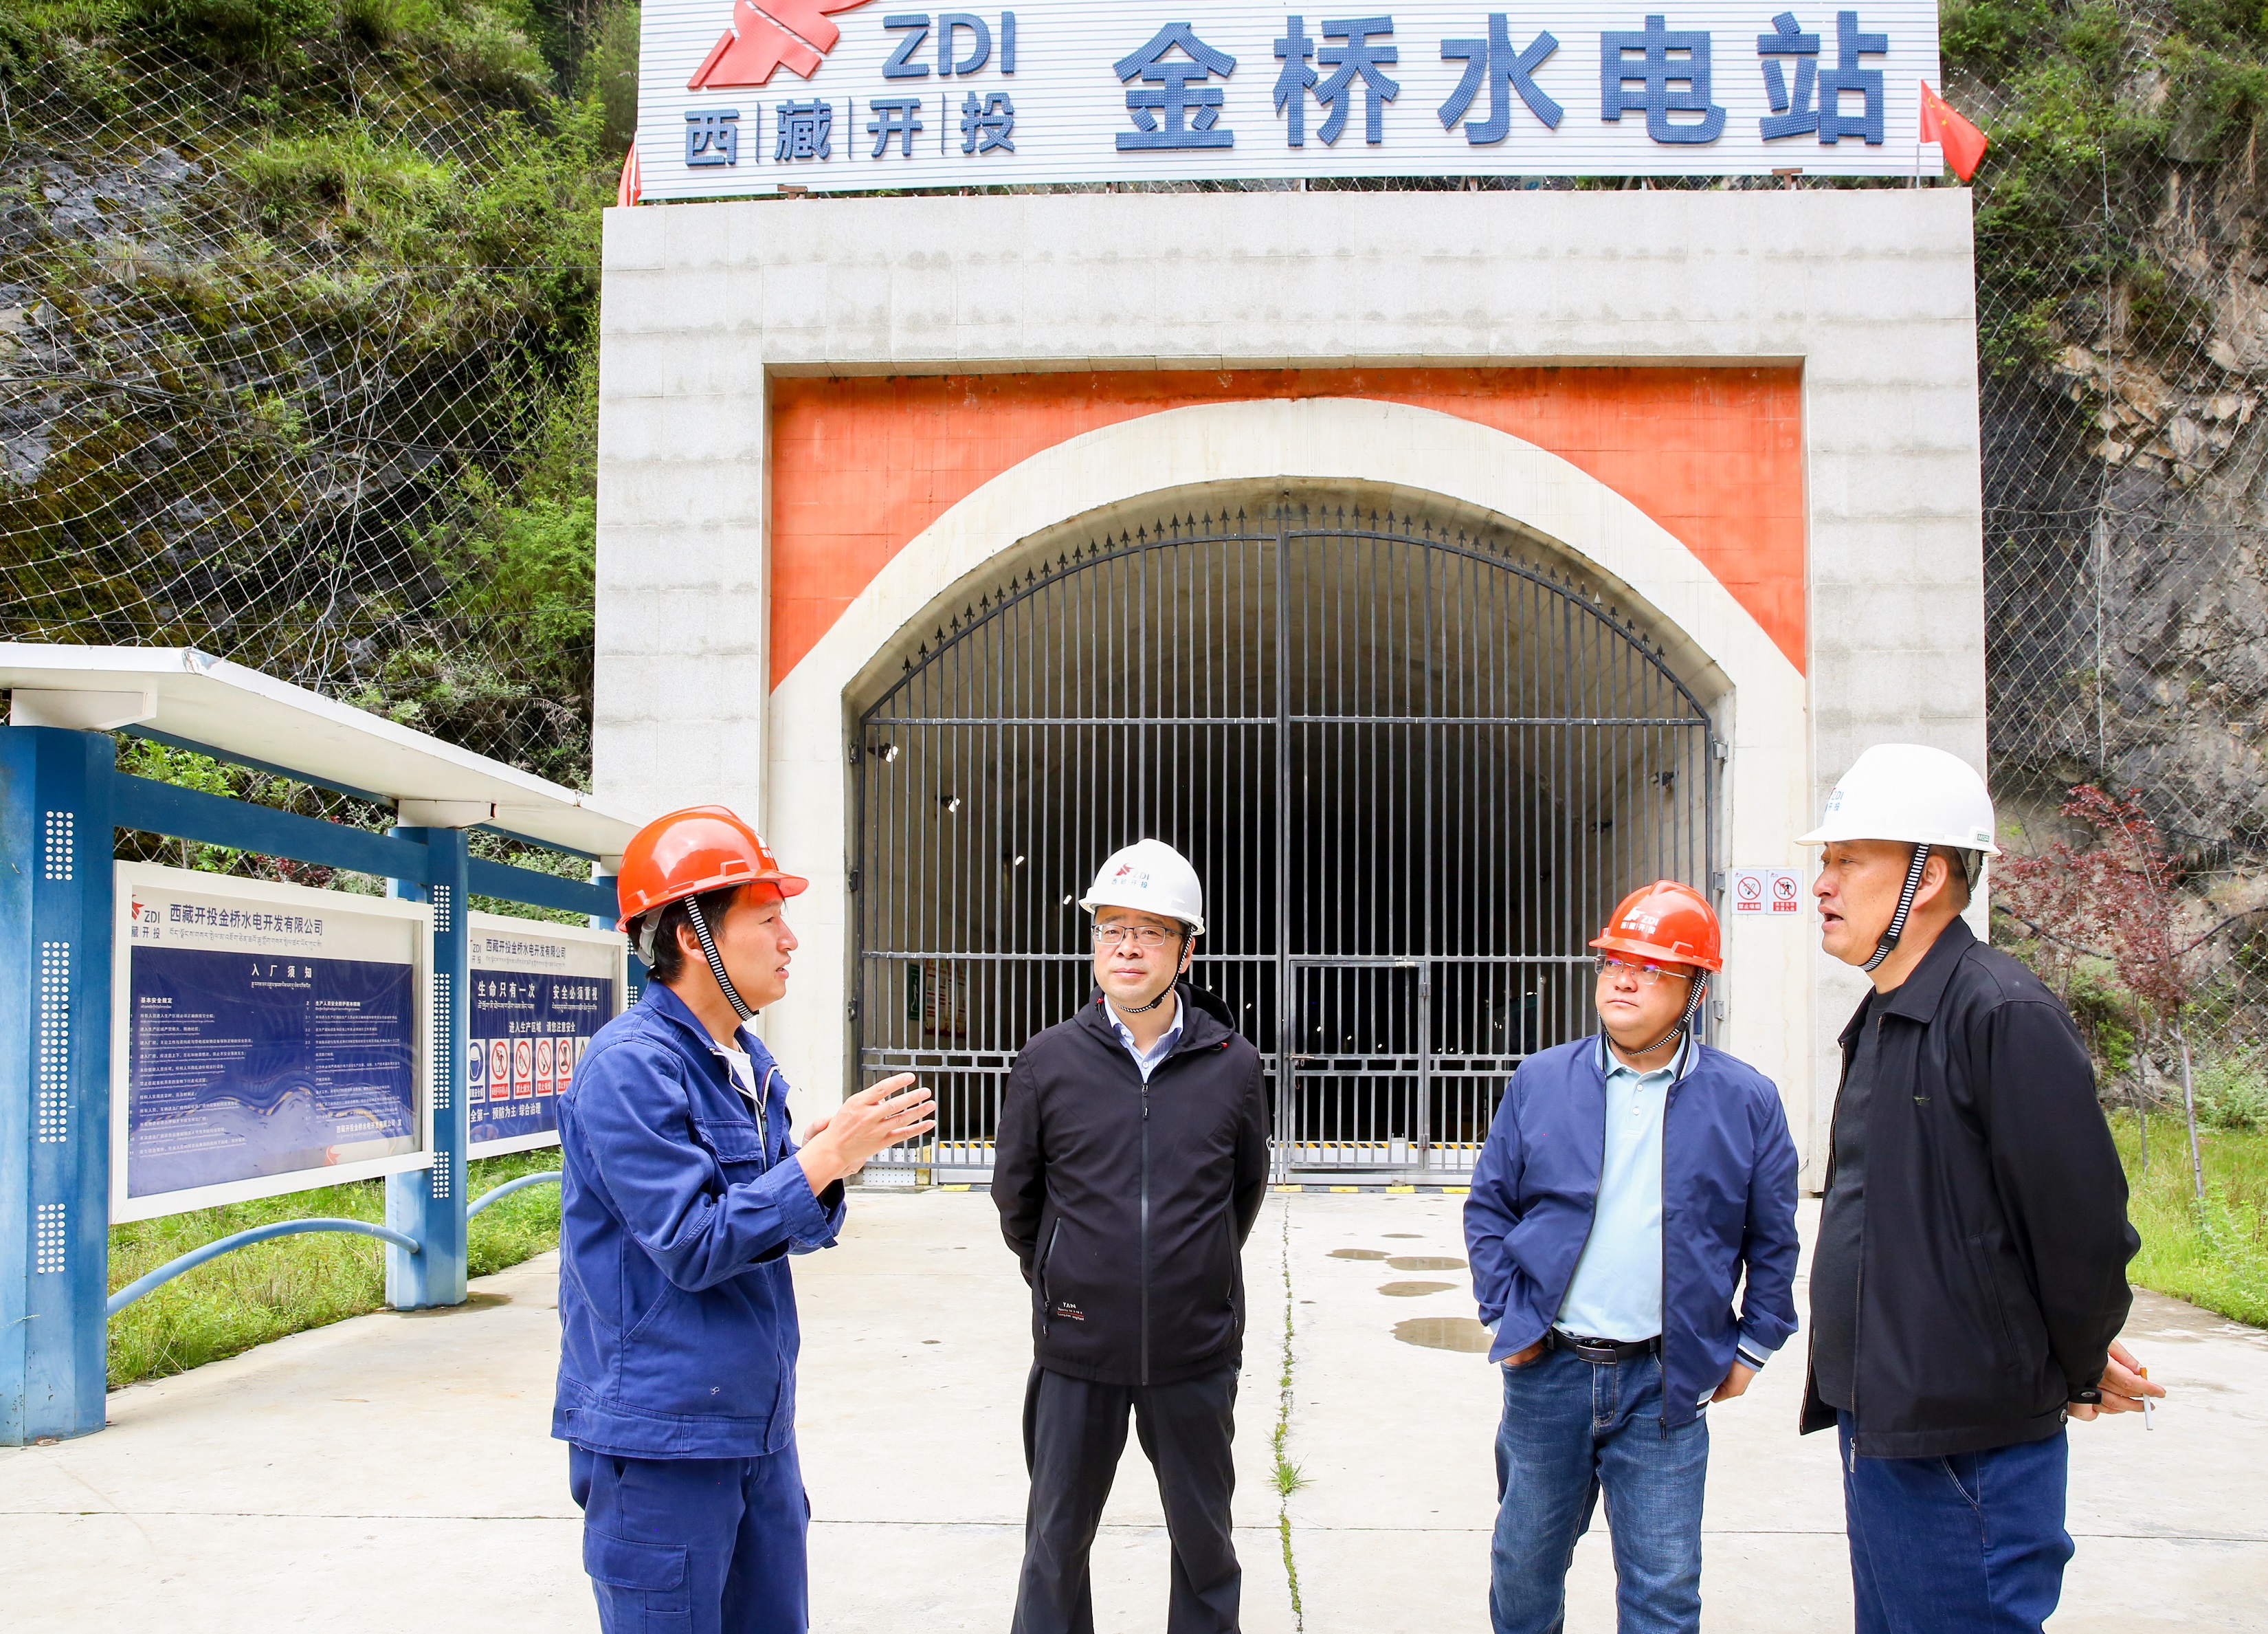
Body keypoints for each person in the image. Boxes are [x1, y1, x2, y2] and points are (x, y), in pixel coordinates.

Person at [1799, 743, 2164, 1634]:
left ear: (1927, 878)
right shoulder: (1888, 1015)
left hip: (1965, 1450)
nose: (1821, 883)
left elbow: (2081, 1232)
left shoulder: (2001, 1013)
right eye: (1826, 859)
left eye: (1848, 860)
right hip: (1884, 1423)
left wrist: (2077, 1362)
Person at [555, 806, 935, 1634]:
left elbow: (778, 1227)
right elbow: (692, 1243)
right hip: (664, 1442)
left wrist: (824, 1162)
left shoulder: (743, 1062)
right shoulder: (631, 1068)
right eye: (767, 919)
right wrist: (817, 1162)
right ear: (691, 937)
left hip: (753, 1428)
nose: (790, 939)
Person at [1465, 880, 1800, 1634]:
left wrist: (1753, 1346)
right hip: (1549, 1370)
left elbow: (1773, 1239)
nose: (1623, 979)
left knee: (1664, 1586)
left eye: (1651, 968)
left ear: (1696, 989)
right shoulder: (1542, 1081)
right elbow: (1490, 1207)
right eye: (1615, 961)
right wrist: (1506, 1317)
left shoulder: (1746, 1101)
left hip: (1665, 1382)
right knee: (1524, 1565)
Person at [991, 838, 1271, 1634]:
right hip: (1078, 1349)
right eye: (1111, 928)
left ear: (1186, 950)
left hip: (1194, 1349)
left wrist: (1193, 1271)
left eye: (1151, 931)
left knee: (1206, 1546)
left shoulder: (1232, 1064)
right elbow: (1018, 1198)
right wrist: (1068, 1275)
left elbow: (1242, 1193)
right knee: (1054, 1545)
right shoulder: (1048, 1061)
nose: (1127, 947)